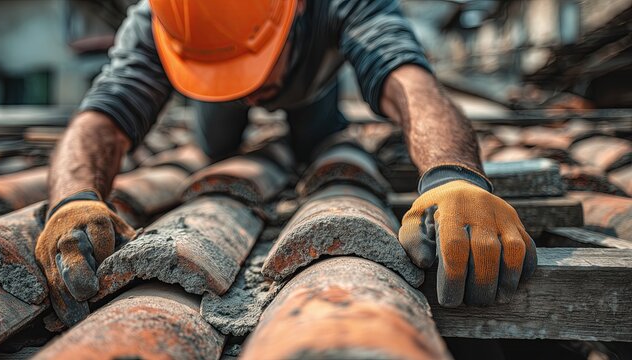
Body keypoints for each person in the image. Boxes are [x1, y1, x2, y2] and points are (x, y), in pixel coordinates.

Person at [36, 0, 537, 326]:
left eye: (250, 68)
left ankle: (308, 120)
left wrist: (453, 177)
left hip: (312, 90)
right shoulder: (159, 20)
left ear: (291, 16)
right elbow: (101, 120)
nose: (249, 89)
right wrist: (73, 200)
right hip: (218, 114)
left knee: (318, 140)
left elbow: (409, 84)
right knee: (217, 150)